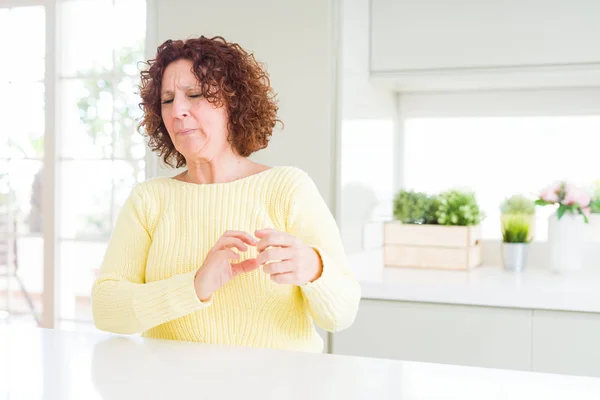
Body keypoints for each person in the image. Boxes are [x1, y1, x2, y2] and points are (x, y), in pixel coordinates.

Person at [91, 36, 361, 352]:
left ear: (233, 104)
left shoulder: (288, 188)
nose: (178, 110)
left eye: (194, 95)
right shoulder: (149, 200)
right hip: (169, 385)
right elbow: (106, 309)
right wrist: (194, 286)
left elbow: (341, 315)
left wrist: (315, 268)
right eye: (167, 100)